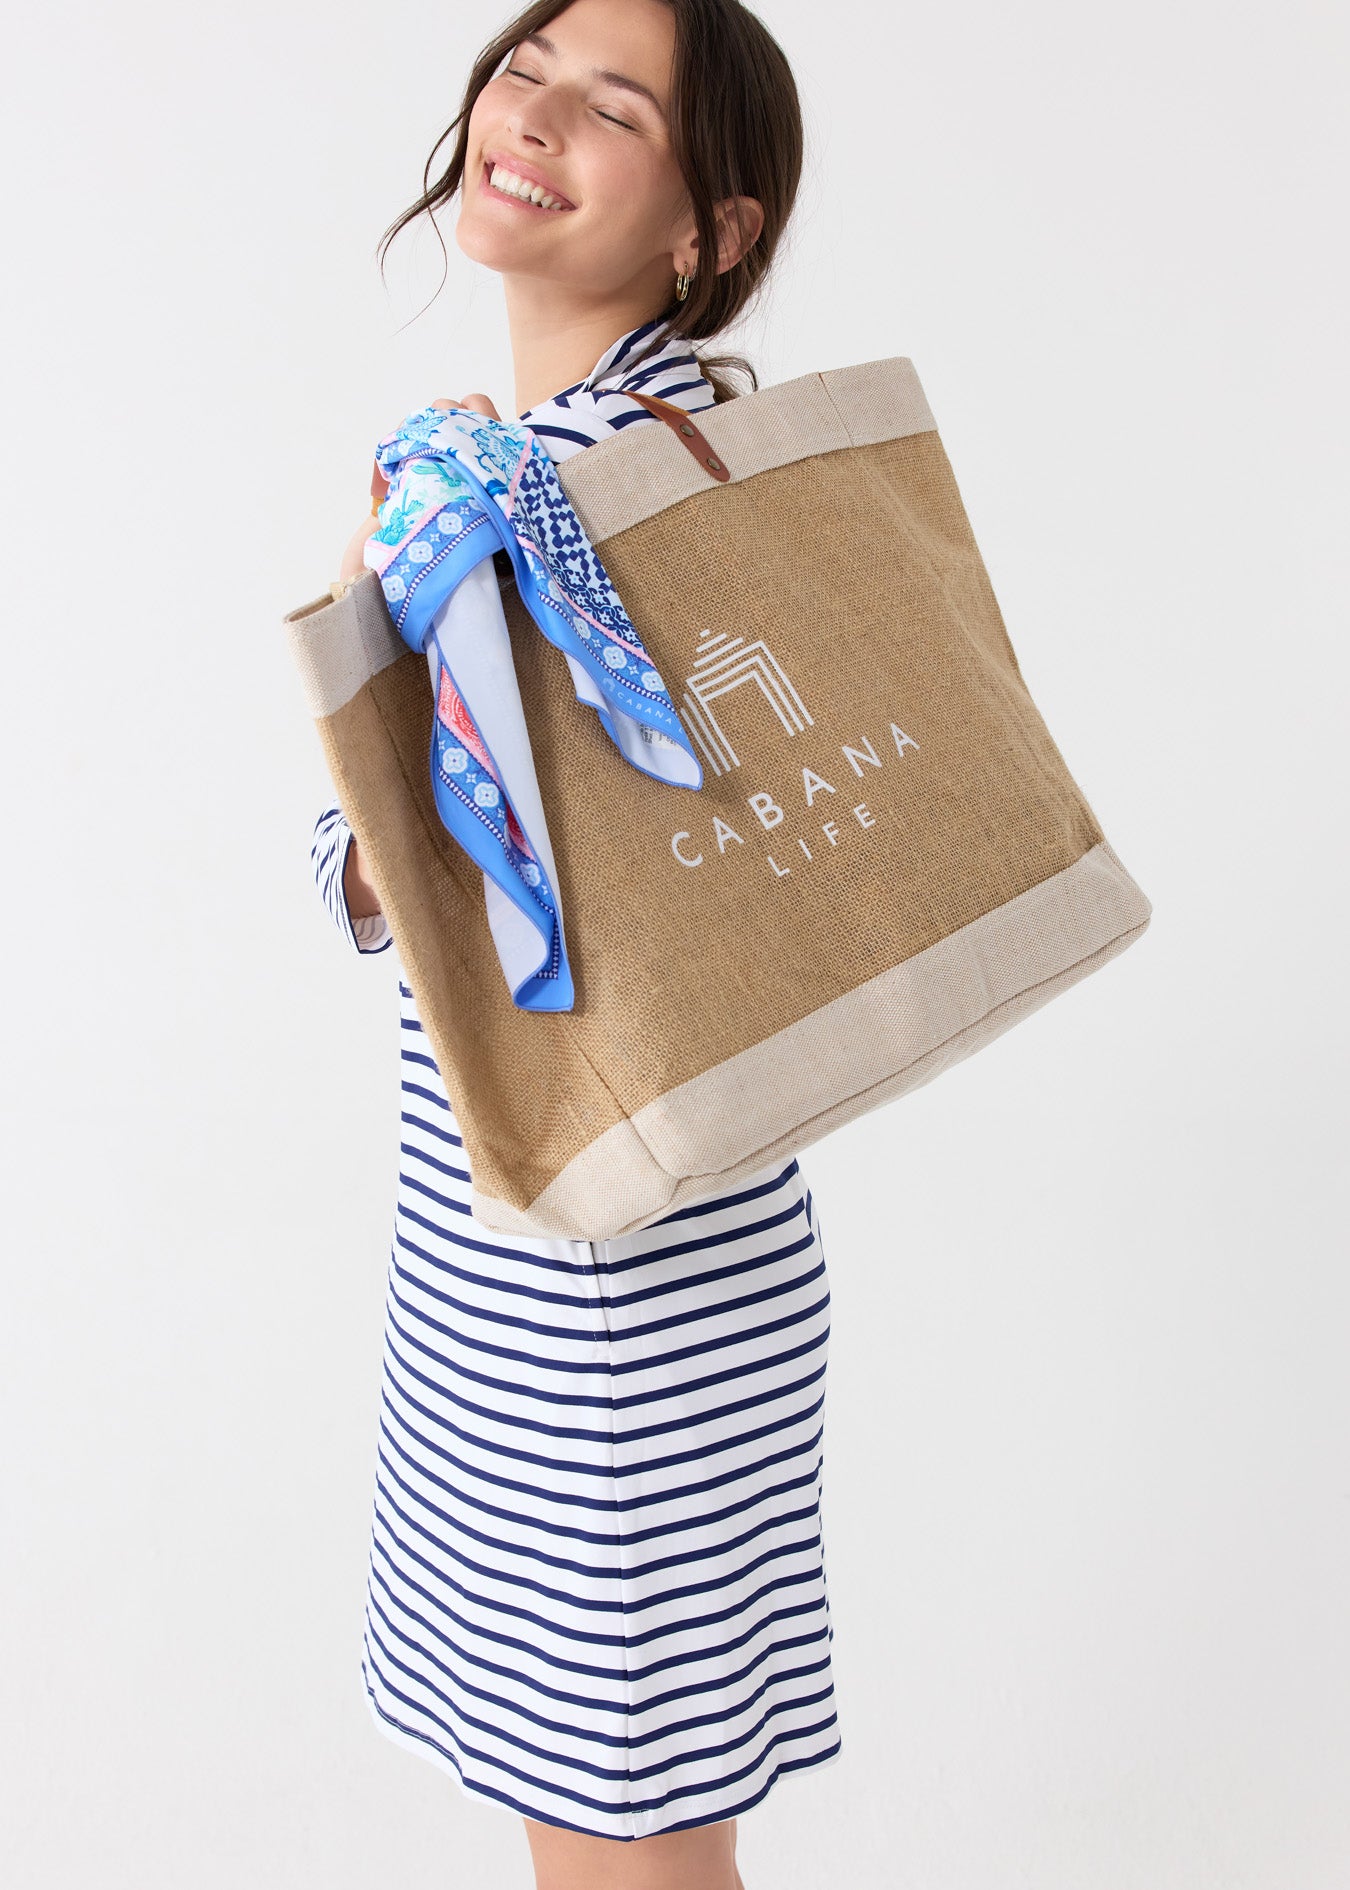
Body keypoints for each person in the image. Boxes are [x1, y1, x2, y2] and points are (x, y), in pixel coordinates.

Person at [309, 3, 838, 1883]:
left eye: (615, 109)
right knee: (598, 1804)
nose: (532, 117)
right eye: (526, 67)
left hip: (610, 1251)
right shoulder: (525, 460)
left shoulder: (604, 468)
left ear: (711, 232)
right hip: (548, 1221)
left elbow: (497, 848)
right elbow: (437, 842)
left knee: (620, 1822)